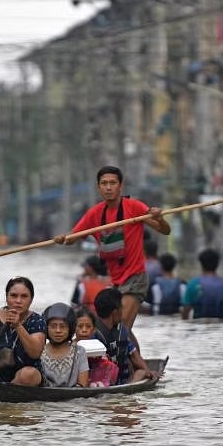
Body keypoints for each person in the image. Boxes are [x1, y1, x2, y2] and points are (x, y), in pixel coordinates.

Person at [54, 165, 171, 350]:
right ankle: (137, 362)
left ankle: (131, 367)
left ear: (120, 186)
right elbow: (73, 238)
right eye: (104, 183)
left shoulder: (134, 207)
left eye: (112, 183)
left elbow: (165, 230)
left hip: (135, 277)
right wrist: (63, 239)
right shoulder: (94, 214)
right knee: (116, 327)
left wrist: (160, 218)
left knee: (121, 326)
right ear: (98, 187)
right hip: (115, 281)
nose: (108, 187)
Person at [92, 287, 158, 384]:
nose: (123, 311)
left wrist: (148, 371)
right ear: (115, 312)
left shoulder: (121, 330)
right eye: (121, 308)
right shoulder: (92, 332)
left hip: (122, 381)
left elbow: (134, 354)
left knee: (141, 373)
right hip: (100, 382)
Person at [40, 303, 89, 387]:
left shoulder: (79, 352)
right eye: (53, 326)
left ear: (70, 328)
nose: (58, 330)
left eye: (63, 326)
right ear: (46, 328)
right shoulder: (39, 351)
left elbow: (82, 385)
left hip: (74, 398)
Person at [181, 248, 223, 320]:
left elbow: (185, 314)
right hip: (220, 328)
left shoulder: (192, 284)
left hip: (198, 328)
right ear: (217, 264)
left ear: (201, 264)